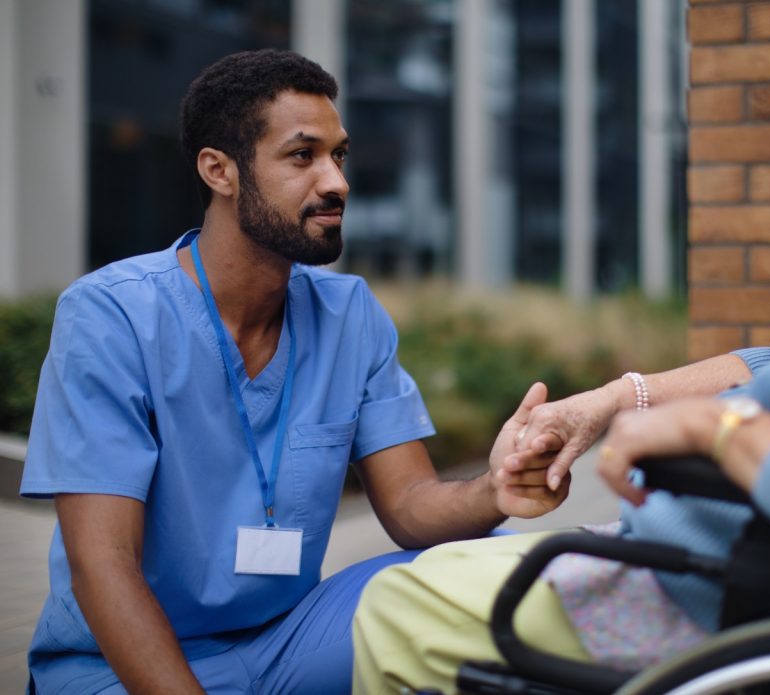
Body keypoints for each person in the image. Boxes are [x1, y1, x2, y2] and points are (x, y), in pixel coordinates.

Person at [351, 0, 770, 692]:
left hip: (722, 603)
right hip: (718, 572)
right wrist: (614, 401)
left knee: (401, 606)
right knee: (439, 573)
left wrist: (717, 425)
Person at [18, 49, 569, 694]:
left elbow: (411, 507)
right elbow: (101, 565)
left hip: (289, 640)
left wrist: (493, 490)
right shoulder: (111, 316)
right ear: (219, 171)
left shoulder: (350, 314)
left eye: (339, 155)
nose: (336, 182)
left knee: (489, 577)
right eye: (302, 155)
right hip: (119, 668)